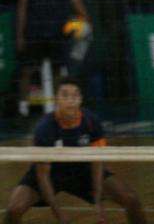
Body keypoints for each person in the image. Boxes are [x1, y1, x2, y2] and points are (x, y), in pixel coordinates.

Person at [4, 77, 146, 224]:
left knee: (131, 199)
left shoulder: (91, 121)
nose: (70, 100)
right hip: (52, 172)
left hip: (83, 170)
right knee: (14, 209)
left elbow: (97, 162)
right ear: (56, 99)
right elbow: (42, 176)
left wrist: (97, 201)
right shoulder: (45, 128)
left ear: (81, 99)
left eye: (75, 95)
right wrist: (58, 214)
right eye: (65, 95)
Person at [16, 0, 91, 117]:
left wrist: (86, 17)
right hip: (34, 31)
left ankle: (61, 107)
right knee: (27, 70)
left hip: (57, 31)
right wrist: (19, 34)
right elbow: (22, 6)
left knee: (59, 71)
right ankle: (23, 108)